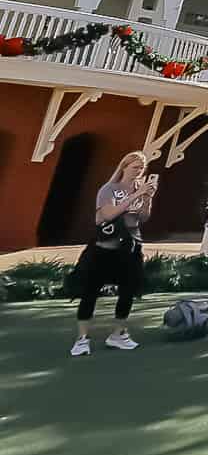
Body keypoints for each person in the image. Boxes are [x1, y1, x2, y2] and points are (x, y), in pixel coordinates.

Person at [70, 151, 156, 356]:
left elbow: (142, 218)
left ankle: (118, 335)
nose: (138, 171)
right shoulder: (109, 189)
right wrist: (135, 195)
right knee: (90, 292)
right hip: (104, 248)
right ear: (124, 167)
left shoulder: (140, 188)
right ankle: (82, 339)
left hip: (130, 248)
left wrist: (147, 198)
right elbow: (108, 214)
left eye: (141, 168)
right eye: (135, 167)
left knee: (128, 292)